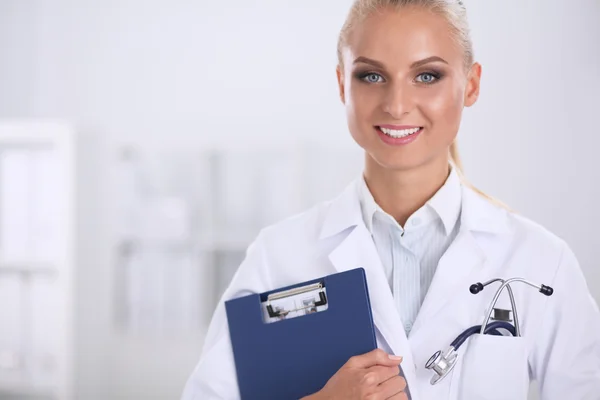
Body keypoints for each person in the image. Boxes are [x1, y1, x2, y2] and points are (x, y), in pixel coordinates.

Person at [181, 0, 600, 399]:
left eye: (427, 75)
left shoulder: (541, 263)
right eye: (372, 76)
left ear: (470, 84)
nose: (397, 105)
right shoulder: (277, 256)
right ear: (343, 83)